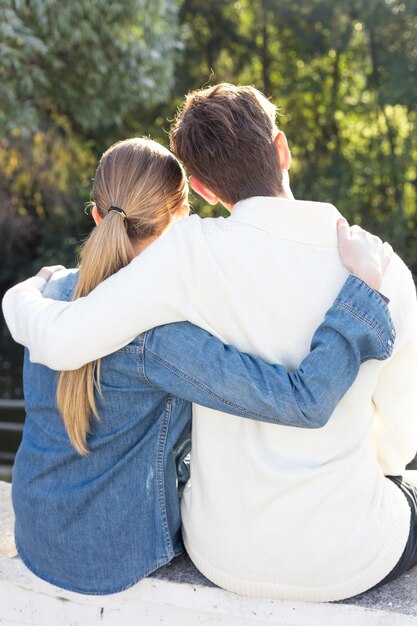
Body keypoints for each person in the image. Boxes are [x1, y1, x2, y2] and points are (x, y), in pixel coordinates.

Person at [2, 84, 416, 600]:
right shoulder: (383, 271)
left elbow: (63, 337)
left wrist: (24, 292)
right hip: (343, 555)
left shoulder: (188, 256)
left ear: (199, 188)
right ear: (281, 148)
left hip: (212, 548)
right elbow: (395, 440)